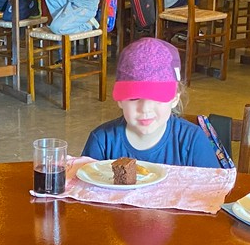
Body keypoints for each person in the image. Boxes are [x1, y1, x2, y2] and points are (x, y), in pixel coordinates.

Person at [82, 38, 222, 167]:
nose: (145, 109)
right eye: (134, 98)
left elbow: (214, 185)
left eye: (157, 97)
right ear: (120, 100)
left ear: (175, 98)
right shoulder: (101, 142)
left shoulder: (193, 141)